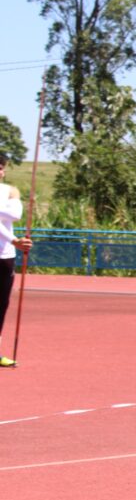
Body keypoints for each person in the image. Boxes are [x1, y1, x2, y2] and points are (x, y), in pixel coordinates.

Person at [0, 153, 33, 368]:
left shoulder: (10, 191)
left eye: (2, 167)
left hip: (5, 256)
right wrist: (14, 240)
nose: (1, 171)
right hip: (11, 244)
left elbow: (16, 215)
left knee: (1, 304)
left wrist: (12, 243)